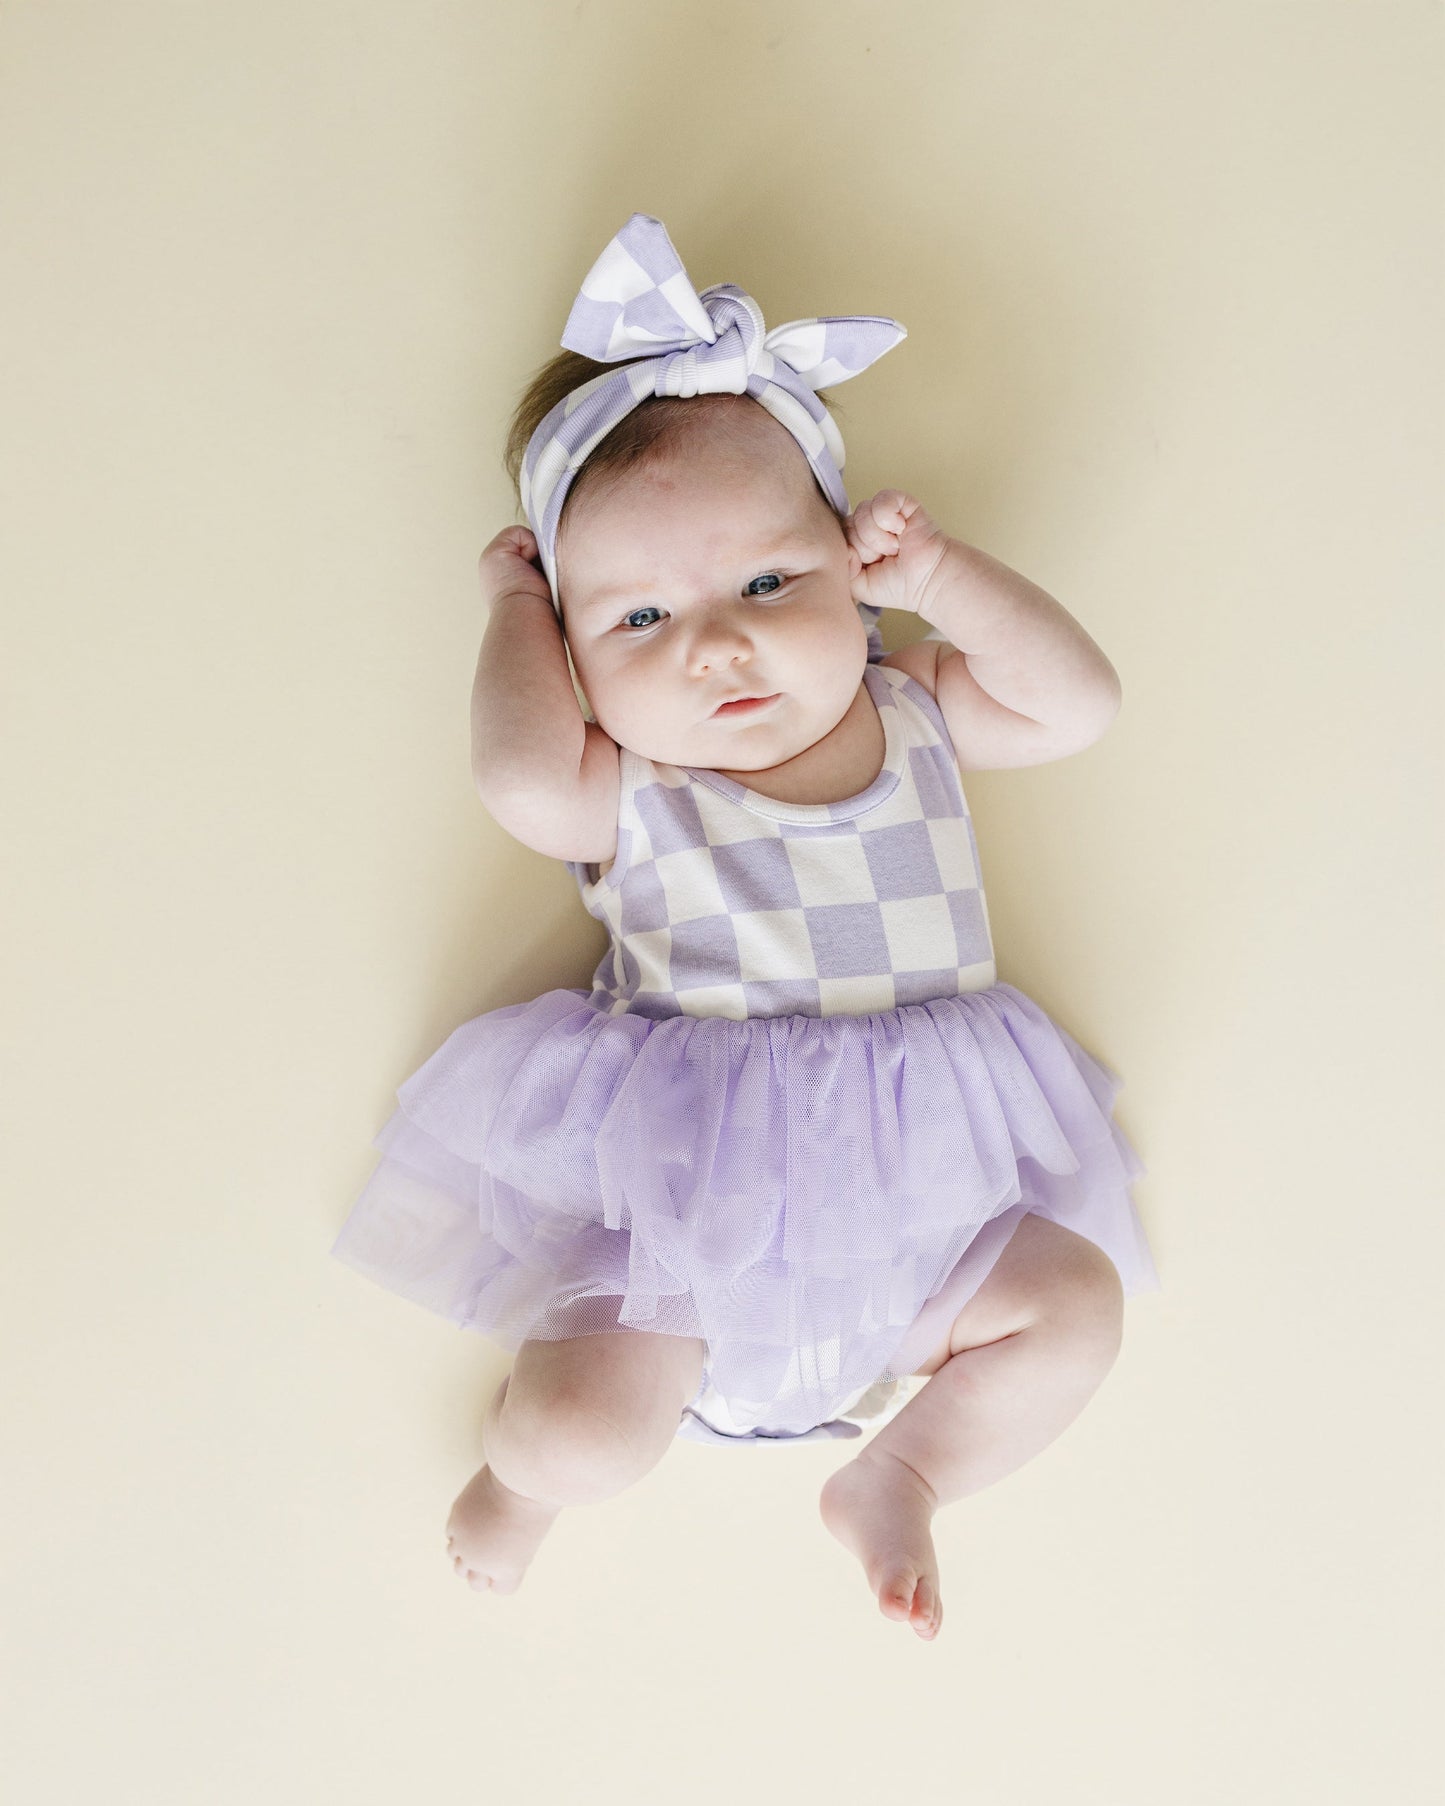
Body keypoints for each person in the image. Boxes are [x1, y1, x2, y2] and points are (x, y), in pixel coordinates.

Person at [331, 213, 1161, 1641]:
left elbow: (1076, 702)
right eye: (638, 619)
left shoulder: (916, 712)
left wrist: (946, 580)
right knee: (587, 1429)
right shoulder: (633, 790)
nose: (716, 644)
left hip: (924, 1229)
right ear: (582, 670)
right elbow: (519, 774)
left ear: (851, 567)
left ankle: (898, 1466)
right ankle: (520, 1487)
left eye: (768, 583)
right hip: (679, 1254)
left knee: (1075, 1302)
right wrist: (510, 610)